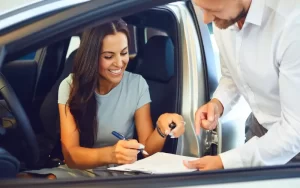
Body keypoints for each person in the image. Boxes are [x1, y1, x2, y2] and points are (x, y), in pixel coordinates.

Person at [19, 19, 185, 179]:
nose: (119, 63)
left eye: (124, 53)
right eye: (108, 56)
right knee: (21, 180)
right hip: (81, 169)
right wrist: (111, 154)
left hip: (121, 172)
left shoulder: (137, 84)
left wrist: (161, 129)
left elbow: (147, 150)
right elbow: (71, 156)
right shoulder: (71, 85)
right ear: (92, 57)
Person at [184, 0, 300, 170]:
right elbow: (231, 75)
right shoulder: (223, 19)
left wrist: (224, 162)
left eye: (213, 9)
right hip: (258, 128)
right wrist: (218, 103)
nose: (206, 20)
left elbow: (294, 131)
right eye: (202, 9)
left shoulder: (291, 24)